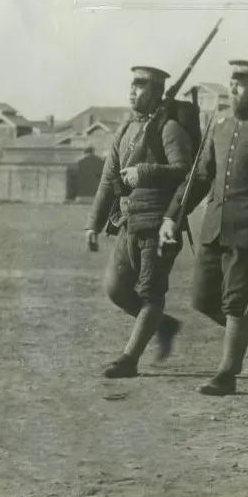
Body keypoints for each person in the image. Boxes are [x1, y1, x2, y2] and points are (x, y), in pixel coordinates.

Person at [159, 59, 248, 395]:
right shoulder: (218, 125)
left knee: (237, 303)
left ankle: (226, 374)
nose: (234, 87)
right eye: (232, 80)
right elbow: (200, 177)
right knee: (202, 299)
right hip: (214, 228)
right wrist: (172, 216)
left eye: (242, 82)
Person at [85, 66, 192, 378]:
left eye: (141, 86)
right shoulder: (126, 129)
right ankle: (163, 325)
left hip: (159, 224)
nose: (133, 91)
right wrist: (93, 223)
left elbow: (186, 172)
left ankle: (129, 360)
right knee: (115, 288)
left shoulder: (170, 129)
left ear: (157, 92)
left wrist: (144, 172)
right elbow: (108, 178)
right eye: (132, 84)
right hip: (128, 222)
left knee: (150, 294)